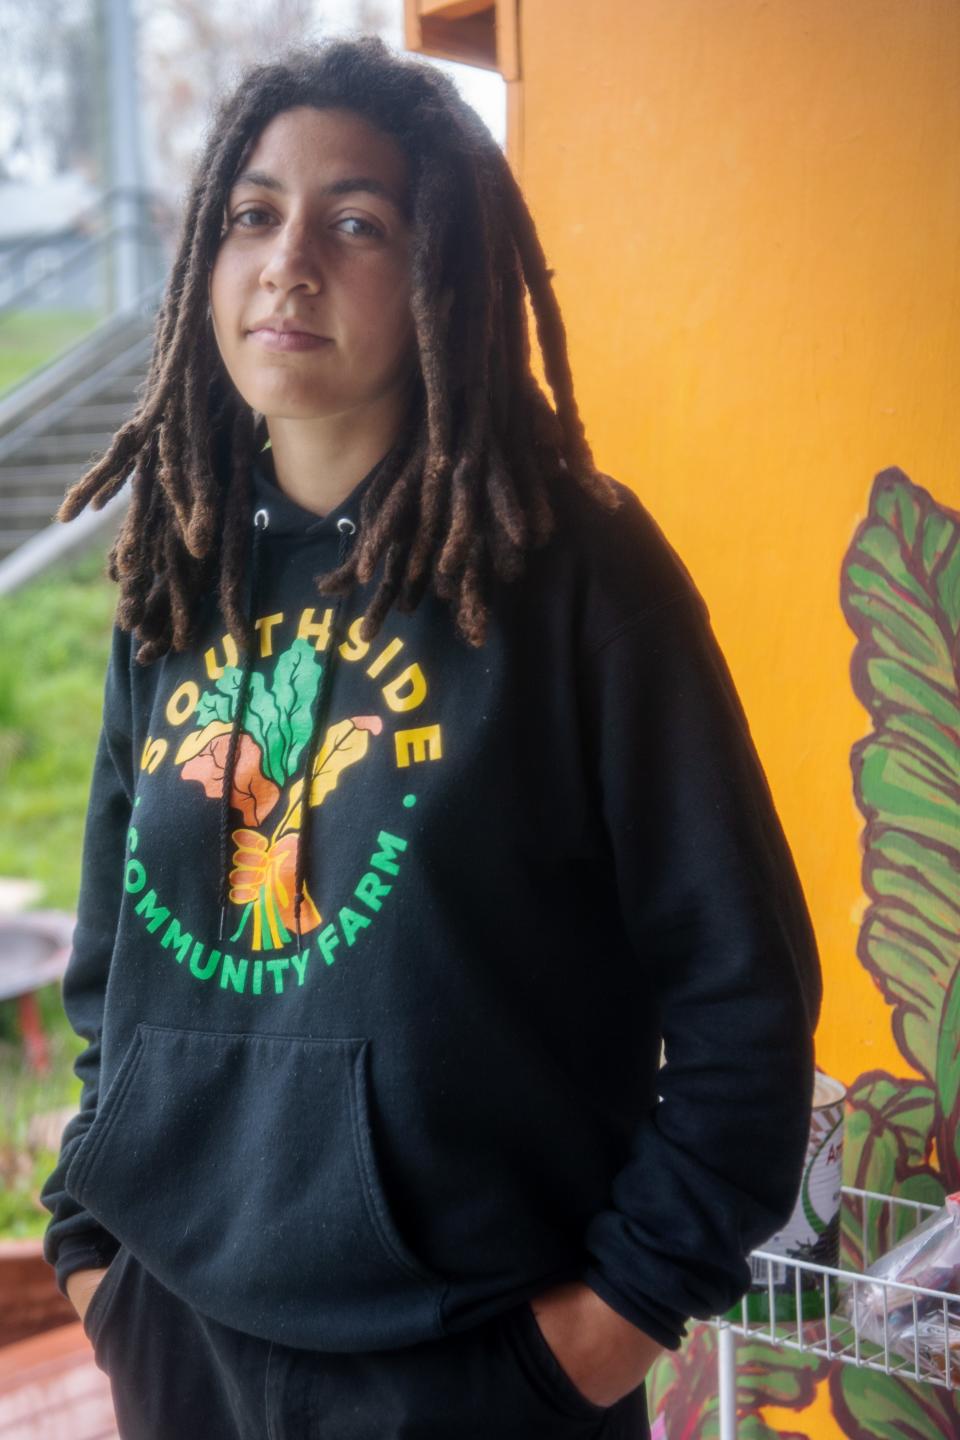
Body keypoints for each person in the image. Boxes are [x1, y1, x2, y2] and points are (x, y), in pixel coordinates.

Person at [39, 34, 822, 1440]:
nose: (289, 262)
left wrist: (616, 1320)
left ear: (441, 273)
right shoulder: (176, 571)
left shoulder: (573, 569)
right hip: (182, 1349)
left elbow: (741, 991)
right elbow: (115, 969)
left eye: (356, 222)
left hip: (470, 1367)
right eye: (252, 216)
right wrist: (97, 1252)